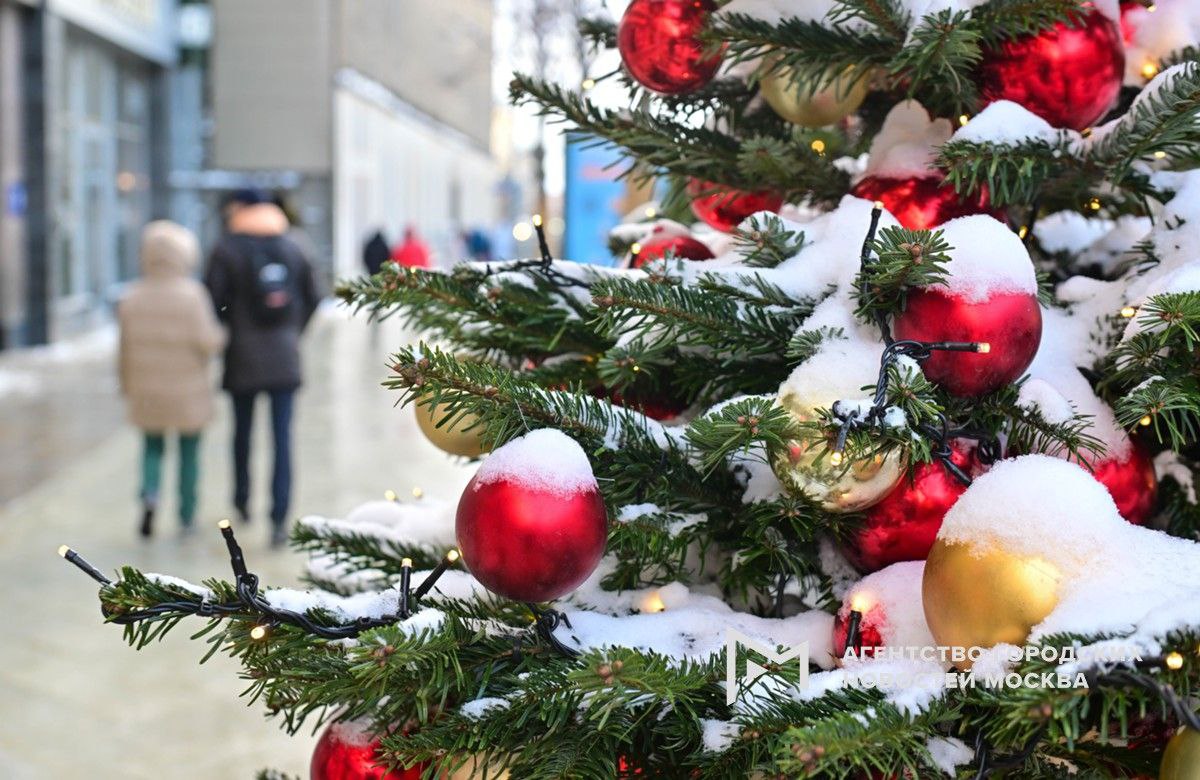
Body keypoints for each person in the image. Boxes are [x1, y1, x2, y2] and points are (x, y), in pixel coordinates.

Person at [205, 189, 322, 547]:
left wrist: (233, 326)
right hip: (284, 356)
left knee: (242, 432)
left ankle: (242, 501)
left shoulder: (226, 248)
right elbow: (315, 296)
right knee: (282, 438)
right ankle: (279, 518)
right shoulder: (293, 246)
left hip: (242, 355)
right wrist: (292, 332)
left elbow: (212, 298)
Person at [117, 221, 225, 538]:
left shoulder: (132, 296)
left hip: (146, 389)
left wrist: (125, 384)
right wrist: (223, 335)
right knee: (189, 452)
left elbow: (122, 349)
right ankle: (186, 514)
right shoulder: (193, 296)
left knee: (151, 447)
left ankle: (150, 495)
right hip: (187, 391)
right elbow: (208, 341)